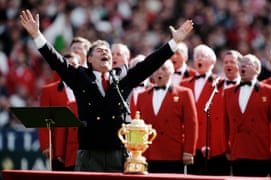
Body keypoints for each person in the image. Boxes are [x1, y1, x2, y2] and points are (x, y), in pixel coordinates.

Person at [19, 9, 193, 172]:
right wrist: (37, 35)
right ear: (89, 59)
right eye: (101, 51)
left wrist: (174, 42)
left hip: (118, 150)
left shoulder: (123, 75)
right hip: (89, 150)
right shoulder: (80, 77)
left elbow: (150, 64)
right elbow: (56, 61)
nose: (106, 53)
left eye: (108, 51)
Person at [223, 54, 271, 177]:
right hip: (238, 150)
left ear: (257, 69)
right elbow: (225, 124)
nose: (242, 66)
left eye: (247, 63)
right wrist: (226, 148)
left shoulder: (269, 91)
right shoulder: (228, 92)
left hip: (260, 150)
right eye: (241, 63)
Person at [136, 60, 198, 173]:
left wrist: (189, 151)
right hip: (149, 153)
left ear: (171, 72)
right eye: (157, 69)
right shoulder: (142, 96)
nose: (159, 72)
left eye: (164, 69)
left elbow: (191, 125)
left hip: (173, 153)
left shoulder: (184, 93)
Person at [180, 44, 228, 175]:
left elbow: (218, 118)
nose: (199, 59)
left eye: (203, 56)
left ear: (212, 61)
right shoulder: (184, 84)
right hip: (190, 145)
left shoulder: (220, 84)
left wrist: (211, 144)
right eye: (196, 57)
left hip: (211, 145)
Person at [38, 52, 80, 171]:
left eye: (74, 65)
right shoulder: (48, 91)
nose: (70, 68)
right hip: (59, 146)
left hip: (81, 146)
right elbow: (43, 119)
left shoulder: (88, 88)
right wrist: (47, 145)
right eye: (67, 65)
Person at [128, 54, 152, 119]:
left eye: (143, 67)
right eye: (136, 67)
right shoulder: (125, 89)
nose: (140, 70)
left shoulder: (155, 89)